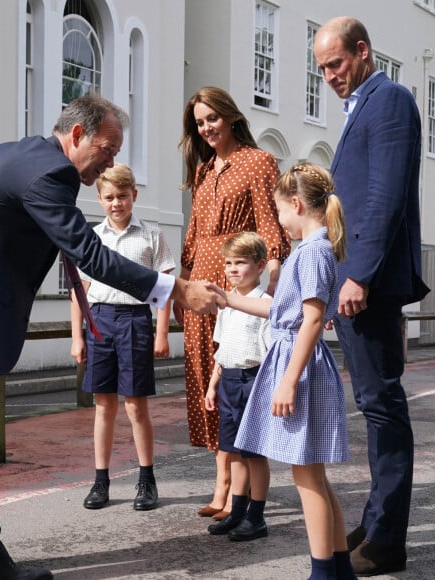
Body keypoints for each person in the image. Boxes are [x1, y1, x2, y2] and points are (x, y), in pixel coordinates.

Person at [0, 95, 220, 580]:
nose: (113, 161)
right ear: (77, 136)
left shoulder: (24, 156)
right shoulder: (48, 173)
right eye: (108, 147)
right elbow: (90, 254)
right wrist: (175, 288)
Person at [314, 17, 430, 576]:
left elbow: (383, 197)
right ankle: (376, 521)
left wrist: (356, 275)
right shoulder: (365, 104)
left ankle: (386, 539)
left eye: (336, 63)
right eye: (322, 69)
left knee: (383, 408)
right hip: (360, 280)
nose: (329, 76)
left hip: (370, 283)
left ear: (363, 51)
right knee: (375, 406)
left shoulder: (390, 100)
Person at [212, 163, 356, 580]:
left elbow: (310, 320)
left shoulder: (311, 253)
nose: (279, 221)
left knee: (307, 477)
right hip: (298, 358)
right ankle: (340, 568)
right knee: (315, 477)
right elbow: (282, 311)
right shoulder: (313, 250)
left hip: (299, 365)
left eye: (279, 213)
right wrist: (229, 299)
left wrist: (289, 380)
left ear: (296, 204)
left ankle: (322, 572)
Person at [175, 86, 290, 520]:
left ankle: (233, 487)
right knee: (208, 382)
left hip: (236, 284)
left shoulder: (258, 162)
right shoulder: (203, 171)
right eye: (199, 123)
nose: (206, 128)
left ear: (230, 115)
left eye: (212, 119)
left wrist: (274, 276)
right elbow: (191, 236)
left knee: (236, 380)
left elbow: (270, 225)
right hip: (200, 287)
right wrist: (182, 287)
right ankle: (221, 479)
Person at [70, 163, 175, 513]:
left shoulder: (151, 235)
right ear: (99, 198)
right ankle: (101, 480)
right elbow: (79, 293)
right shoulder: (93, 237)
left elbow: (164, 289)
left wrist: (162, 333)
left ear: (134, 195)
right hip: (100, 320)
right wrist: (77, 337)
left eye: (123, 196)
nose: (117, 203)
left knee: (135, 405)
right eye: (109, 197)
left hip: (134, 321)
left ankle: (146, 479)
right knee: (104, 405)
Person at [203, 232, 271, 542]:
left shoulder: (265, 304)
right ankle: (237, 511)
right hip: (229, 380)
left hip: (253, 381)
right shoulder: (226, 303)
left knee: (253, 454)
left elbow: (270, 352)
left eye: (240, 263)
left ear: (259, 266)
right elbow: (222, 349)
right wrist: (213, 386)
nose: (232, 269)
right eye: (228, 262)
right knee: (233, 453)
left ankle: (256, 517)